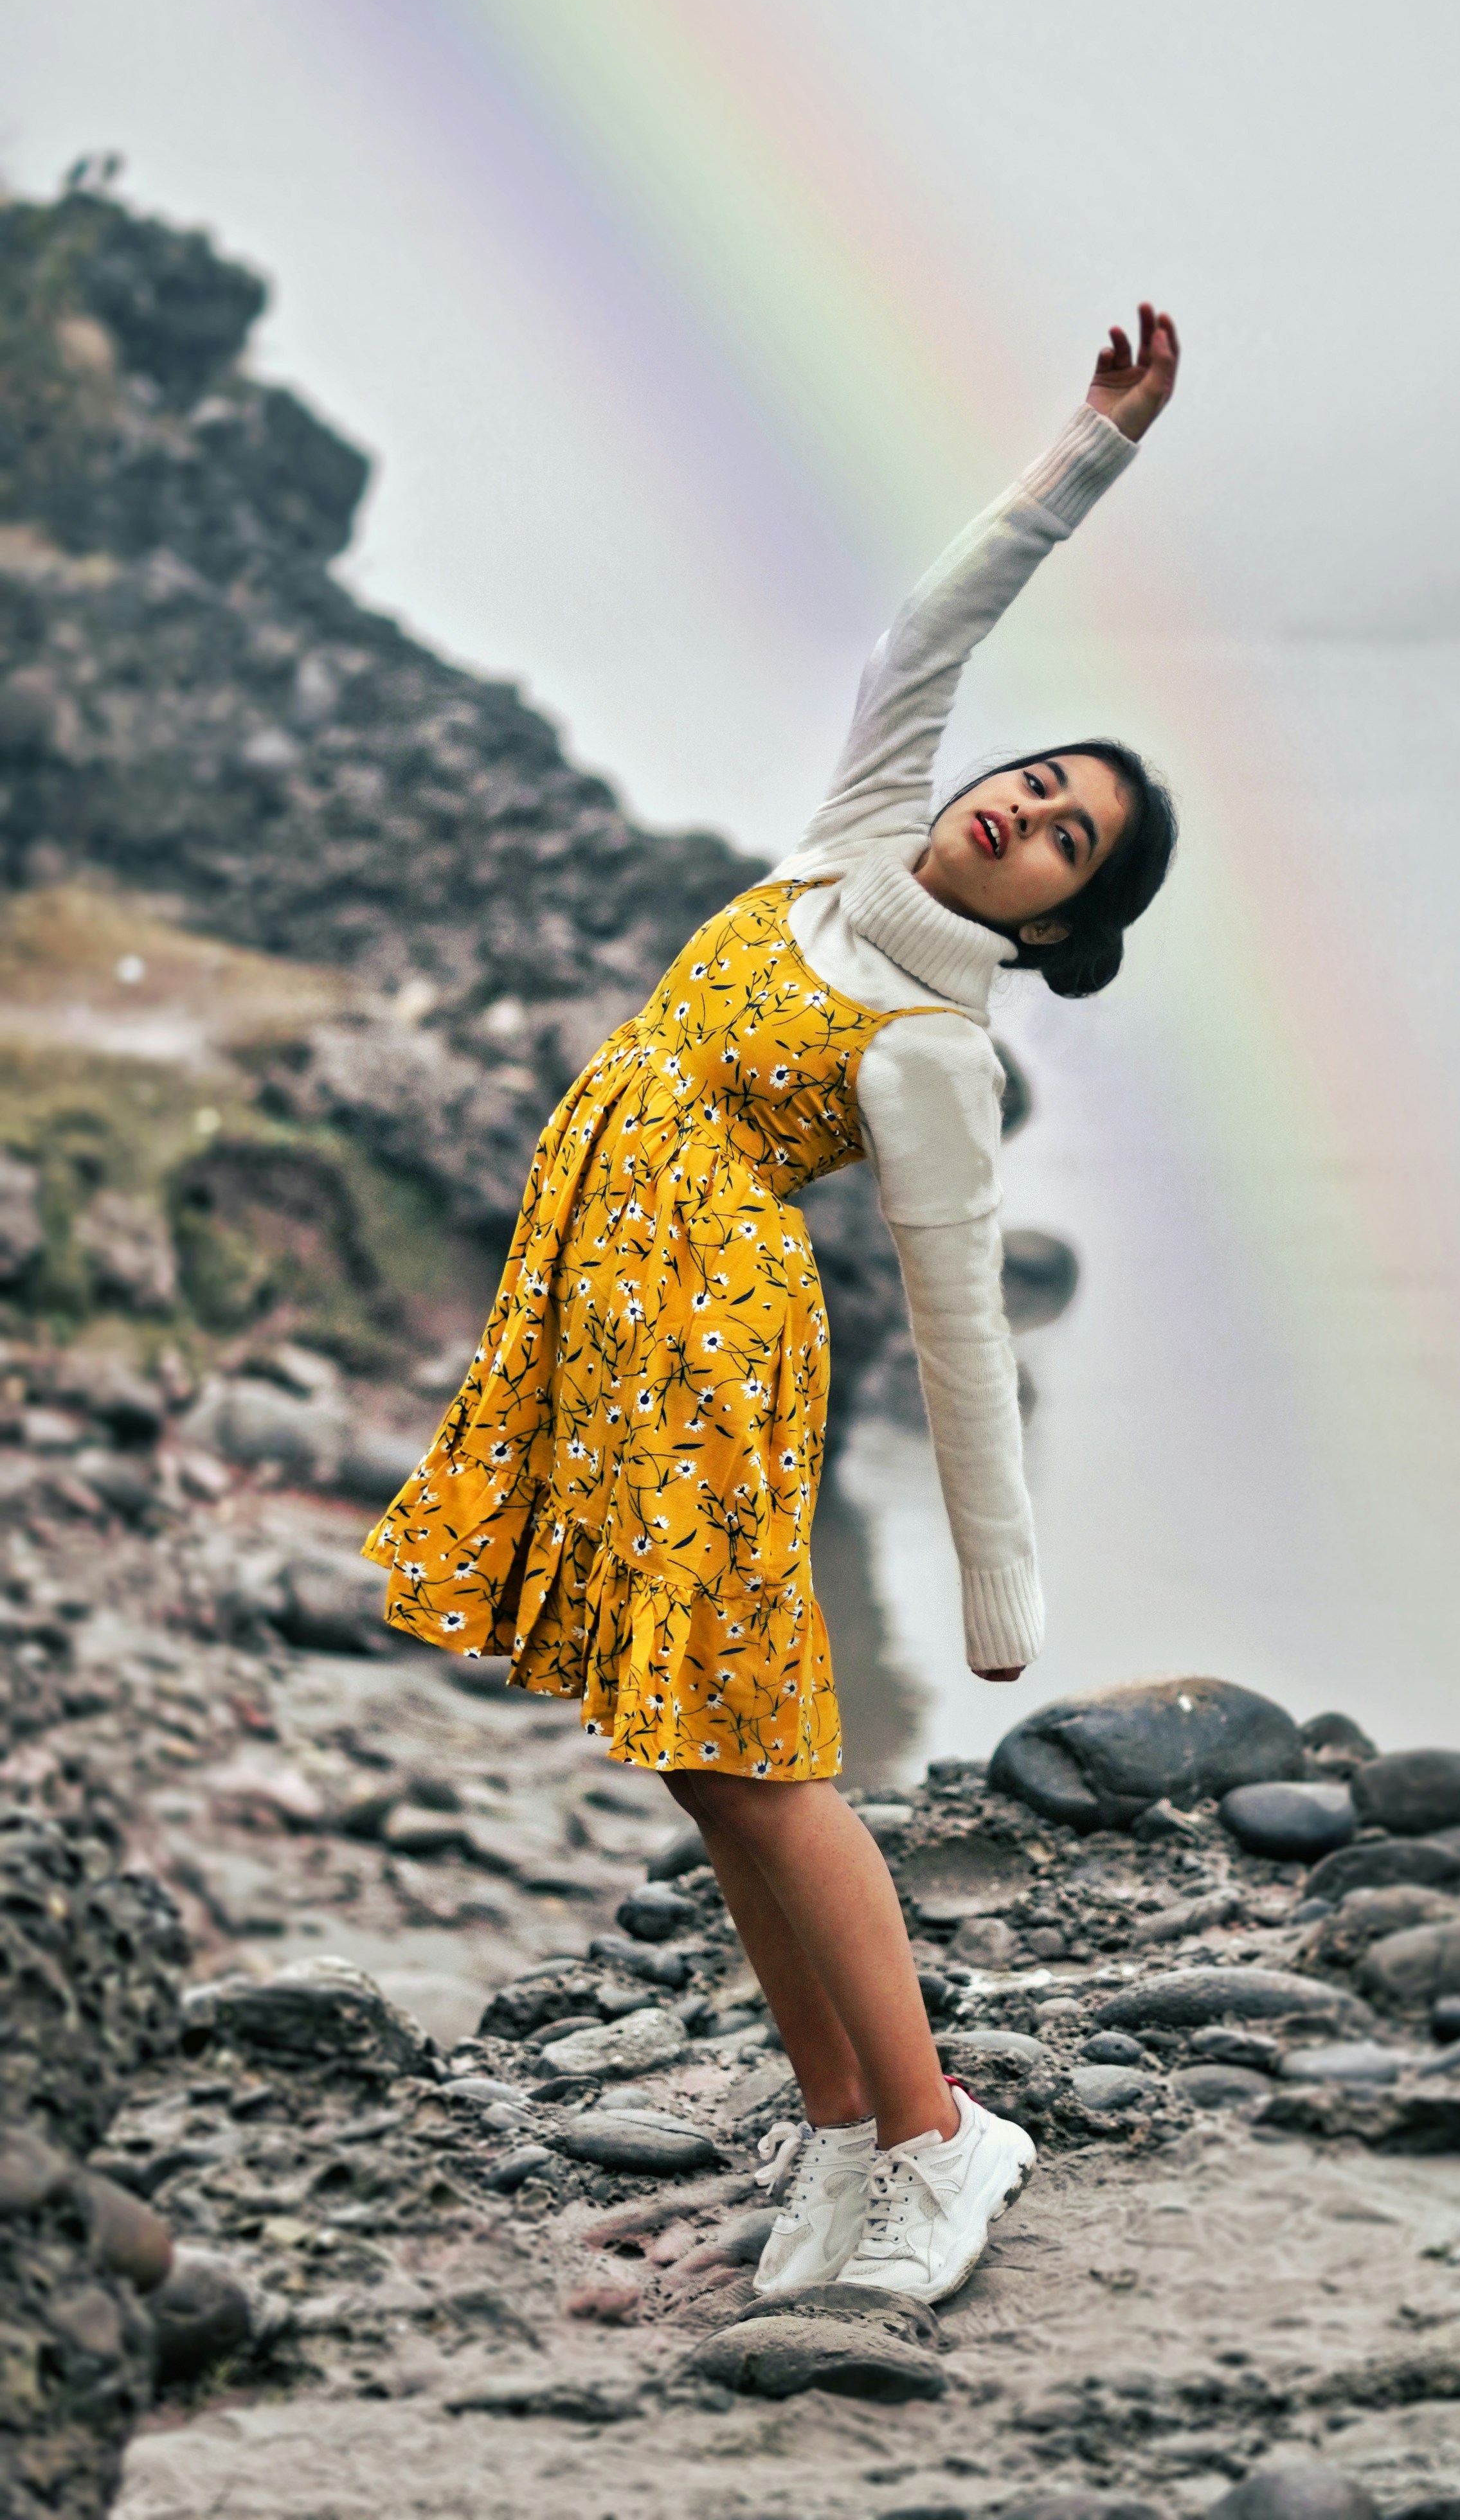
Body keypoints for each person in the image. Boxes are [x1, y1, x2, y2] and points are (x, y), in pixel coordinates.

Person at [365, 305, 1181, 2305]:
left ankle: (936, 2135)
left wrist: (998, 1591)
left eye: (1064, 838)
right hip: (614, 1300)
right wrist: (1092, 448)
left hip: (717, 1334)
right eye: (1037, 780)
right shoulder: (844, 855)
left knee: (763, 1754)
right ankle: (837, 2138)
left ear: (1057, 921)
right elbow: (932, 627)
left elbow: (963, 1315)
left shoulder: (934, 1041)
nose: (1021, 808)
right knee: (702, 1755)